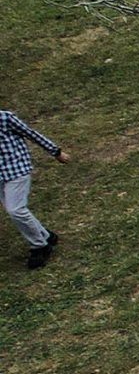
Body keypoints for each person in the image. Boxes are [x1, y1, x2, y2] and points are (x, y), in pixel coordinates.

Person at [0, 107, 65, 270]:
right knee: (14, 210)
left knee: (16, 210)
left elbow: (31, 134)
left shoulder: (5, 118)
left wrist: (56, 152)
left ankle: (39, 246)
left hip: (16, 170)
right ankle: (45, 235)